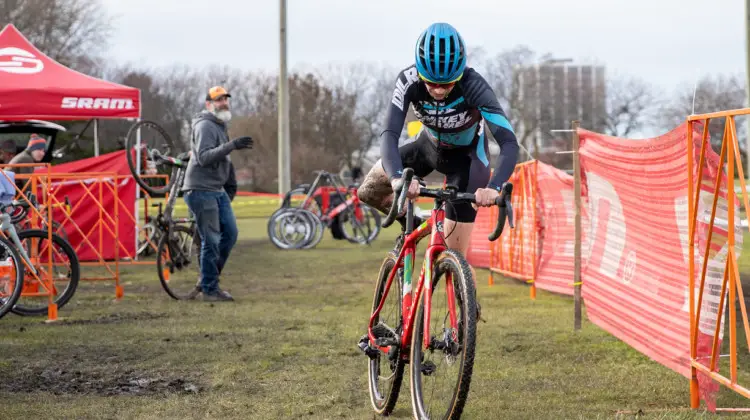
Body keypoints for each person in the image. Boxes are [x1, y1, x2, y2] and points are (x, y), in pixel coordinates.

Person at [356, 22, 520, 317]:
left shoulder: (475, 85)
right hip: (424, 150)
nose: (439, 90)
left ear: (460, 74)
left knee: (452, 265)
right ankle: (415, 220)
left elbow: (508, 142)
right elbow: (389, 136)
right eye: (431, 83)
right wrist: (396, 179)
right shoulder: (407, 81)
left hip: (468, 163)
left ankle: (460, 319)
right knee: (367, 191)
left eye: (446, 84)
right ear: (419, 71)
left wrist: (493, 188)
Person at [182, 86, 253, 302]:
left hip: (216, 190)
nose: (224, 103)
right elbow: (204, 157)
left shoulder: (220, 126)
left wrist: (230, 185)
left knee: (230, 235)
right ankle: (210, 289)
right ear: (208, 104)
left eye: (225, 99)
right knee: (211, 240)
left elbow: (224, 159)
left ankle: (208, 279)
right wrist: (231, 145)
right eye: (219, 99)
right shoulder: (205, 125)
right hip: (200, 189)